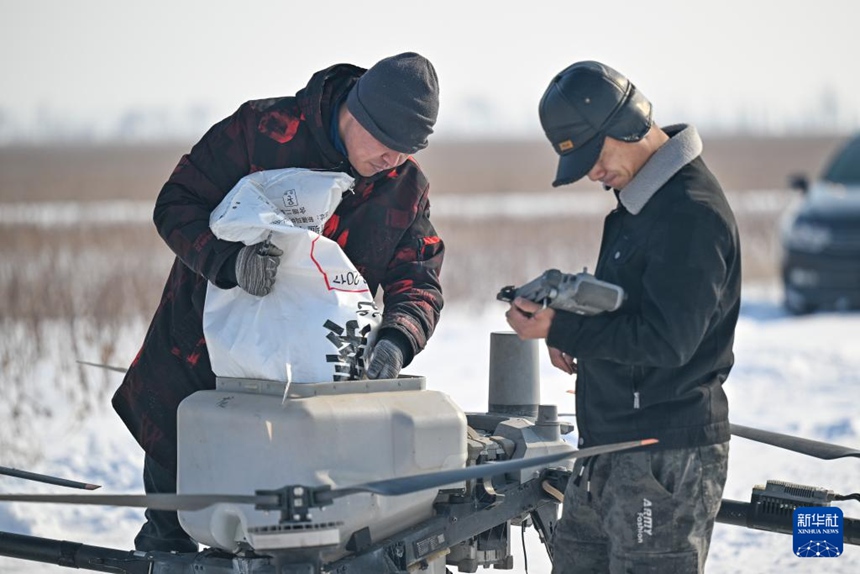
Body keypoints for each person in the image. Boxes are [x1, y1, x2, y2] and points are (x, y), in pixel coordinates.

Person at [112, 52, 445, 553]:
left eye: (407, 150)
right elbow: (175, 203)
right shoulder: (263, 130)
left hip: (305, 404)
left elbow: (419, 279)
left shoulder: (405, 188)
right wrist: (230, 261)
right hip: (198, 373)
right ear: (356, 112)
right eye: (386, 142)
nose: (392, 160)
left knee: (285, 542)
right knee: (176, 530)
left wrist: (397, 339)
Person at [505, 61, 741, 573]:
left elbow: (668, 341)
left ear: (628, 124)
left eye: (595, 156)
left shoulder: (690, 213)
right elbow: (629, 307)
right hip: (606, 451)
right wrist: (570, 326)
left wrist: (563, 328)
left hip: (663, 457)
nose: (593, 173)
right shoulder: (639, 206)